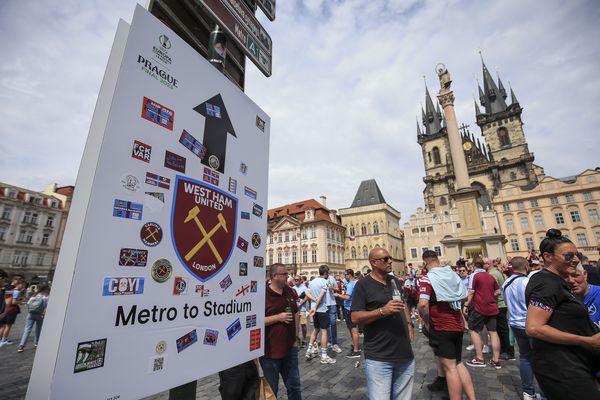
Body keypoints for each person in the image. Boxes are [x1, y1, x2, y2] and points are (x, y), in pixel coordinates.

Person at [525, 229, 600, 400]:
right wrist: (587, 340)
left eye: (576, 255)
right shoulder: (545, 283)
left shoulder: (558, 281)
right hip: (561, 368)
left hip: (573, 362)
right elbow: (534, 328)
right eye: (568, 256)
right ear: (548, 256)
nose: (575, 259)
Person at [351, 247, 414, 399]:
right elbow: (355, 317)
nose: (390, 261)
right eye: (385, 259)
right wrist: (382, 311)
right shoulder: (362, 285)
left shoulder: (394, 281)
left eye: (390, 257)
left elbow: (403, 302)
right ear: (374, 262)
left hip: (404, 353)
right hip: (379, 355)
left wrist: (408, 323)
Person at [418, 250, 475, 400]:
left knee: (450, 369)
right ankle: (472, 397)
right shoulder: (452, 274)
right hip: (457, 323)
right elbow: (463, 296)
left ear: (425, 263)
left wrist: (427, 321)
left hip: (441, 326)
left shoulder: (427, 278)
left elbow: (423, 305)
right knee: (458, 363)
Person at [502, 256, 542, 400]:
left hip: (515, 323)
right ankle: (544, 392)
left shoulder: (506, 283)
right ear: (526, 266)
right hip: (531, 324)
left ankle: (528, 392)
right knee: (540, 358)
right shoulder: (528, 282)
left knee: (525, 357)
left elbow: (507, 303)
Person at [261, 263, 301, 399]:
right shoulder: (262, 294)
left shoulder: (288, 291)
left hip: (290, 349)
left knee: (294, 386)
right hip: (270, 352)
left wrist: (296, 337)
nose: (287, 276)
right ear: (274, 276)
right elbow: (255, 321)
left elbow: (296, 312)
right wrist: (278, 317)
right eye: (284, 274)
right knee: (271, 390)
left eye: (287, 273)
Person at [463, 258, 502, 369]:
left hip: (479, 307)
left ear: (474, 265)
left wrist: (466, 305)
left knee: (474, 330)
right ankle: (496, 360)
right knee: (493, 332)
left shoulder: (474, 276)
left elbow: (471, 292)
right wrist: (491, 297)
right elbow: (498, 291)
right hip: (492, 307)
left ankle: (480, 358)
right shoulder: (490, 276)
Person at [305, 265, 336, 364]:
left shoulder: (312, 281)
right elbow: (322, 297)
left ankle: (308, 350)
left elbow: (308, 294)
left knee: (315, 330)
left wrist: (314, 302)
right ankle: (324, 355)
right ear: (326, 273)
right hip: (321, 309)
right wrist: (316, 306)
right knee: (324, 332)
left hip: (315, 310)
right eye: (328, 273)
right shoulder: (325, 282)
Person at [485, 258, 515, 360]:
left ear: (487, 264)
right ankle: (504, 349)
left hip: (499, 304)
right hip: (502, 303)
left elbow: (495, 291)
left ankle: (508, 351)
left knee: (502, 329)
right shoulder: (497, 272)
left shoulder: (492, 274)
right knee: (502, 329)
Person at [335, 269, 361, 358]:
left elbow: (347, 297)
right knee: (353, 329)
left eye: (345, 274)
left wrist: (337, 295)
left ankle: (356, 350)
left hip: (349, 308)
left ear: (349, 275)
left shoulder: (350, 285)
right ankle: (356, 345)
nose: (344, 276)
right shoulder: (356, 282)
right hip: (354, 307)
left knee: (353, 329)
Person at [17, 284, 50, 352]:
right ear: (45, 290)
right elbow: (47, 307)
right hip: (39, 315)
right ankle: (36, 343)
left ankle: (21, 346)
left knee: (27, 330)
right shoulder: (45, 297)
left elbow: (28, 304)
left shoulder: (34, 295)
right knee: (38, 329)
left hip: (30, 314)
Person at [0, 277, 25, 346]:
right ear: (19, 284)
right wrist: (20, 302)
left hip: (4, 309)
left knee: (2, 326)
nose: (23, 286)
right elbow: (13, 302)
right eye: (22, 284)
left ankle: (1, 340)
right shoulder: (16, 291)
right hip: (11, 310)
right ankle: (3, 340)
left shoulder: (8, 290)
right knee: (8, 326)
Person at [292, 276, 309, 347]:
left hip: (302, 309)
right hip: (295, 310)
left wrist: (300, 304)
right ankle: (297, 340)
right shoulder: (292, 288)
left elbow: (307, 296)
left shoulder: (304, 287)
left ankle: (304, 339)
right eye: (295, 280)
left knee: (303, 325)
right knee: (296, 326)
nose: (296, 281)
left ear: (300, 280)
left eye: (297, 280)